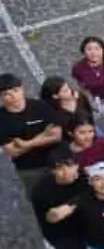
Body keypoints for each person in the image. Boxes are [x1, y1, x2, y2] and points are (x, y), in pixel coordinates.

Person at [0, 72, 63, 211]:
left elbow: (57, 135)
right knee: (39, 197)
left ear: (22, 89)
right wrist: (43, 135)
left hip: (55, 160)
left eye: (15, 90)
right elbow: (13, 152)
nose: (13, 96)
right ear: (1, 98)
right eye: (6, 94)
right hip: (29, 168)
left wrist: (26, 144)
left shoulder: (40, 106)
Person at [31, 146, 92, 249]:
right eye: (60, 168)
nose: (67, 171)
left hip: (88, 221)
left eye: (70, 165)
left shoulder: (85, 177)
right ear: (52, 171)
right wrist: (53, 218)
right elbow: (45, 220)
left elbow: (94, 194)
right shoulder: (40, 189)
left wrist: (70, 205)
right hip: (64, 230)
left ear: (77, 164)